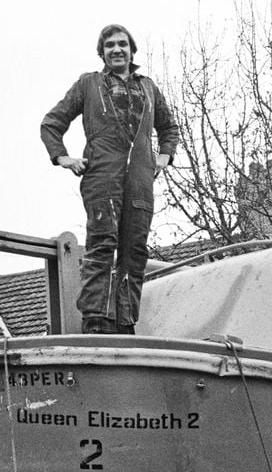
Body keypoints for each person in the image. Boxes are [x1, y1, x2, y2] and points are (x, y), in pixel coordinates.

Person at [41, 24, 180, 334]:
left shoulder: (148, 88)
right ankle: (96, 318)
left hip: (140, 180)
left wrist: (164, 156)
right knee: (103, 243)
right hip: (102, 175)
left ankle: (125, 320)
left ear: (132, 50)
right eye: (109, 46)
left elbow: (169, 128)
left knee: (134, 249)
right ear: (102, 53)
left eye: (122, 44)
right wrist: (64, 157)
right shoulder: (89, 84)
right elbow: (52, 123)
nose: (117, 50)